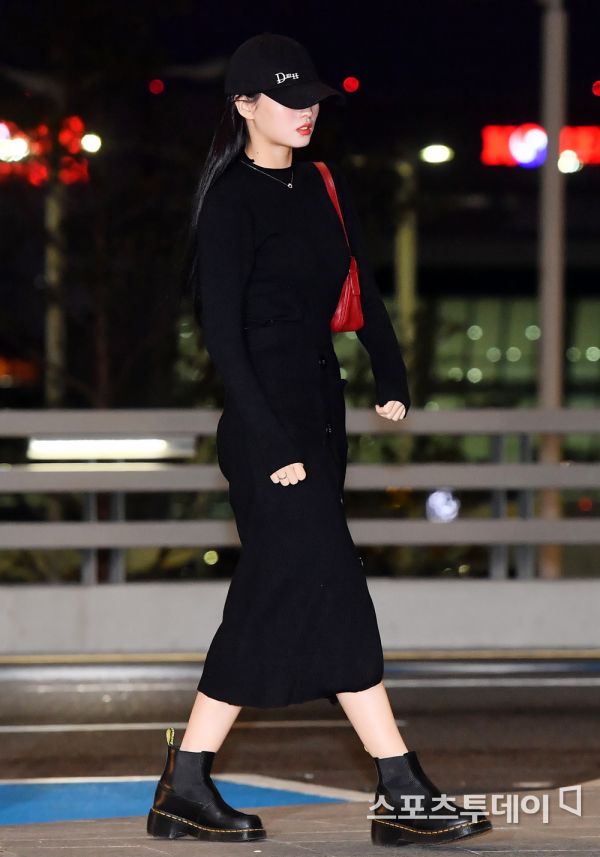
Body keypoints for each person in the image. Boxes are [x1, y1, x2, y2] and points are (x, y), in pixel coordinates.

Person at [147, 32, 493, 848]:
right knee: (335, 591)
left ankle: (185, 785)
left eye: (312, 98)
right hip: (267, 432)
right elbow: (222, 338)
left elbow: (361, 285)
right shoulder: (231, 200)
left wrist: (390, 370)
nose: (306, 111)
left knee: (270, 599)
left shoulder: (322, 185)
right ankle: (400, 784)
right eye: (288, 98)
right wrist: (272, 442)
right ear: (244, 105)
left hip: (321, 420)